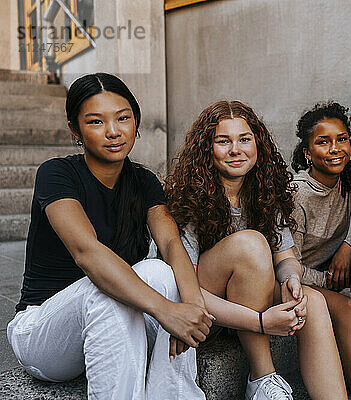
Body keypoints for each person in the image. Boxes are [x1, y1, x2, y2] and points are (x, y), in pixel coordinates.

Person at [7, 74, 300, 400]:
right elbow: (87, 252)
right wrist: (166, 310)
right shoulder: (56, 174)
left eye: (123, 118)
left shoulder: (144, 182)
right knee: (105, 289)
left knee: (160, 272)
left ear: (136, 122)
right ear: (75, 130)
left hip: (115, 321)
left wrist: (190, 307)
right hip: (44, 333)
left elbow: (173, 245)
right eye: (95, 121)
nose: (113, 131)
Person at [164, 100, 347, 400]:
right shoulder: (189, 197)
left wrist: (291, 281)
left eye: (244, 139)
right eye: (223, 141)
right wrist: (262, 322)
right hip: (200, 312)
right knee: (250, 244)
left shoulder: (264, 191)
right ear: (206, 149)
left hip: (247, 297)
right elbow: (183, 286)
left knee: (312, 301)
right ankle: (263, 379)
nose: (236, 149)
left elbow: (286, 258)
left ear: (257, 143)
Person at [289, 101, 351, 399]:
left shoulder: (348, 182)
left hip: (323, 278)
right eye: (323, 141)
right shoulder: (298, 193)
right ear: (307, 152)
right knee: (348, 307)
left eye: (342, 139)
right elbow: (288, 266)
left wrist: (349, 244)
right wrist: (328, 281)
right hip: (288, 282)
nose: (335, 149)